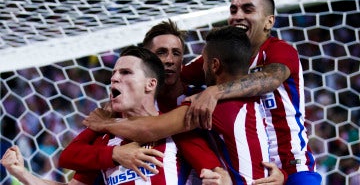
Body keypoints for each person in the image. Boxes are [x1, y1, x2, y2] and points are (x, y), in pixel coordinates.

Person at [83, 26, 283, 184]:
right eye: (161, 52)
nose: (169, 60)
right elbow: (72, 157)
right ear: (147, 60)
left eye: (176, 53)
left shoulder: (202, 103)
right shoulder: (251, 101)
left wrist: (105, 124)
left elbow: (147, 129)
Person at [1, 47, 230, 185]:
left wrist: (219, 179)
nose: (114, 78)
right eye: (113, 73)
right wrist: (21, 173)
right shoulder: (104, 138)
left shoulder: (175, 131)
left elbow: (218, 175)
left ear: (150, 84)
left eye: (126, 72)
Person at [179, 0, 322, 184]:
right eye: (233, 10)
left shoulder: (280, 50)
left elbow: (269, 79)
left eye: (248, 9)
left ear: (268, 22)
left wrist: (214, 91)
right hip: (240, 167)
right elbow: (175, 78)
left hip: (291, 164)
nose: (237, 16)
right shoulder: (218, 56)